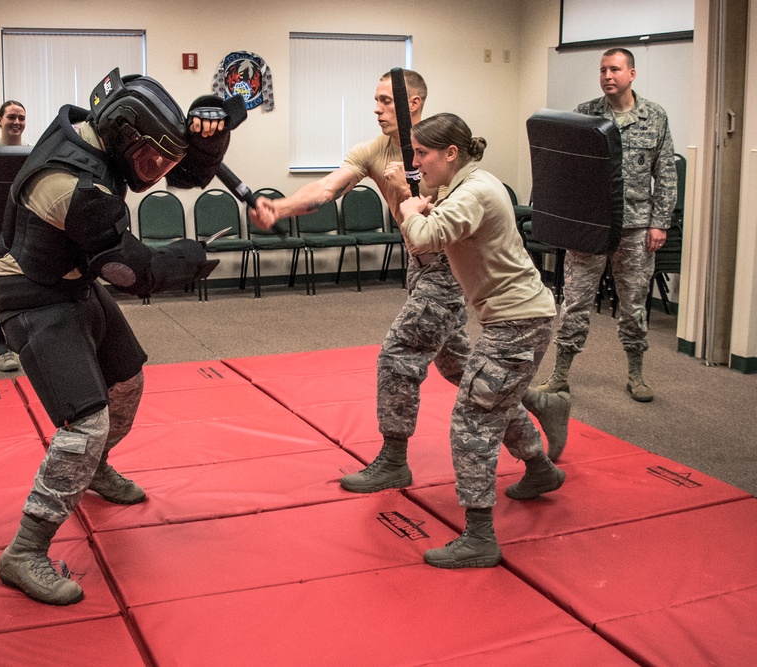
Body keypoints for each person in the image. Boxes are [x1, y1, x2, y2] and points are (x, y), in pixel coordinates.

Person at [0, 68, 246, 605]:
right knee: (86, 424)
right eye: (152, 157)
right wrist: (190, 258)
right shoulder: (77, 185)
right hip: (31, 293)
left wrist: (207, 142)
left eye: (164, 159)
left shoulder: (96, 132)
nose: (157, 174)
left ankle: (94, 469)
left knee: (127, 383)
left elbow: (176, 171)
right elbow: (132, 274)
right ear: (125, 136)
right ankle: (24, 550)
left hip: (71, 278)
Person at [252, 71, 570, 494]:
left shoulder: (439, 150)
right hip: (419, 265)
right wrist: (280, 208)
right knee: (460, 369)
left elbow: (448, 216)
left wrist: (407, 194)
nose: (377, 109)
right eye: (376, 100)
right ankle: (537, 443)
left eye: (386, 101)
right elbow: (328, 189)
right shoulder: (374, 150)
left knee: (398, 355)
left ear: (412, 104)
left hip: (447, 270)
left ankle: (394, 460)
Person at [396, 113, 562, 568]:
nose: (416, 163)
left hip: (516, 324)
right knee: (495, 404)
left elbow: (424, 240)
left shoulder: (473, 192)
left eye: (422, 153)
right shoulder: (468, 185)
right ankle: (541, 469)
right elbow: (436, 231)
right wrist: (420, 206)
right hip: (517, 318)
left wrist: (409, 208)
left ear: (451, 153)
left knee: (472, 421)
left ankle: (480, 536)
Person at [537, 47, 677, 402]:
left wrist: (659, 223)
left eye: (614, 69)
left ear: (632, 74)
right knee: (575, 302)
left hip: (635, 227)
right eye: (602, 70)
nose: (607, 76)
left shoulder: (654, 117)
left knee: (633, 303)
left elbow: (666, 175)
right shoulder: (586, 115)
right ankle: (560, 374)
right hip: (590, 228)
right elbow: (567, 172)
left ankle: (636, 374)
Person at [0, 100, 30, 372]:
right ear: (0, 120)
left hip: (23, 236)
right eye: (11, 117)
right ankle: (3, 351)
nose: (17, 122)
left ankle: (24, 345)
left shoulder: (33, 155)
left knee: (23, 295)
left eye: (21, 118)